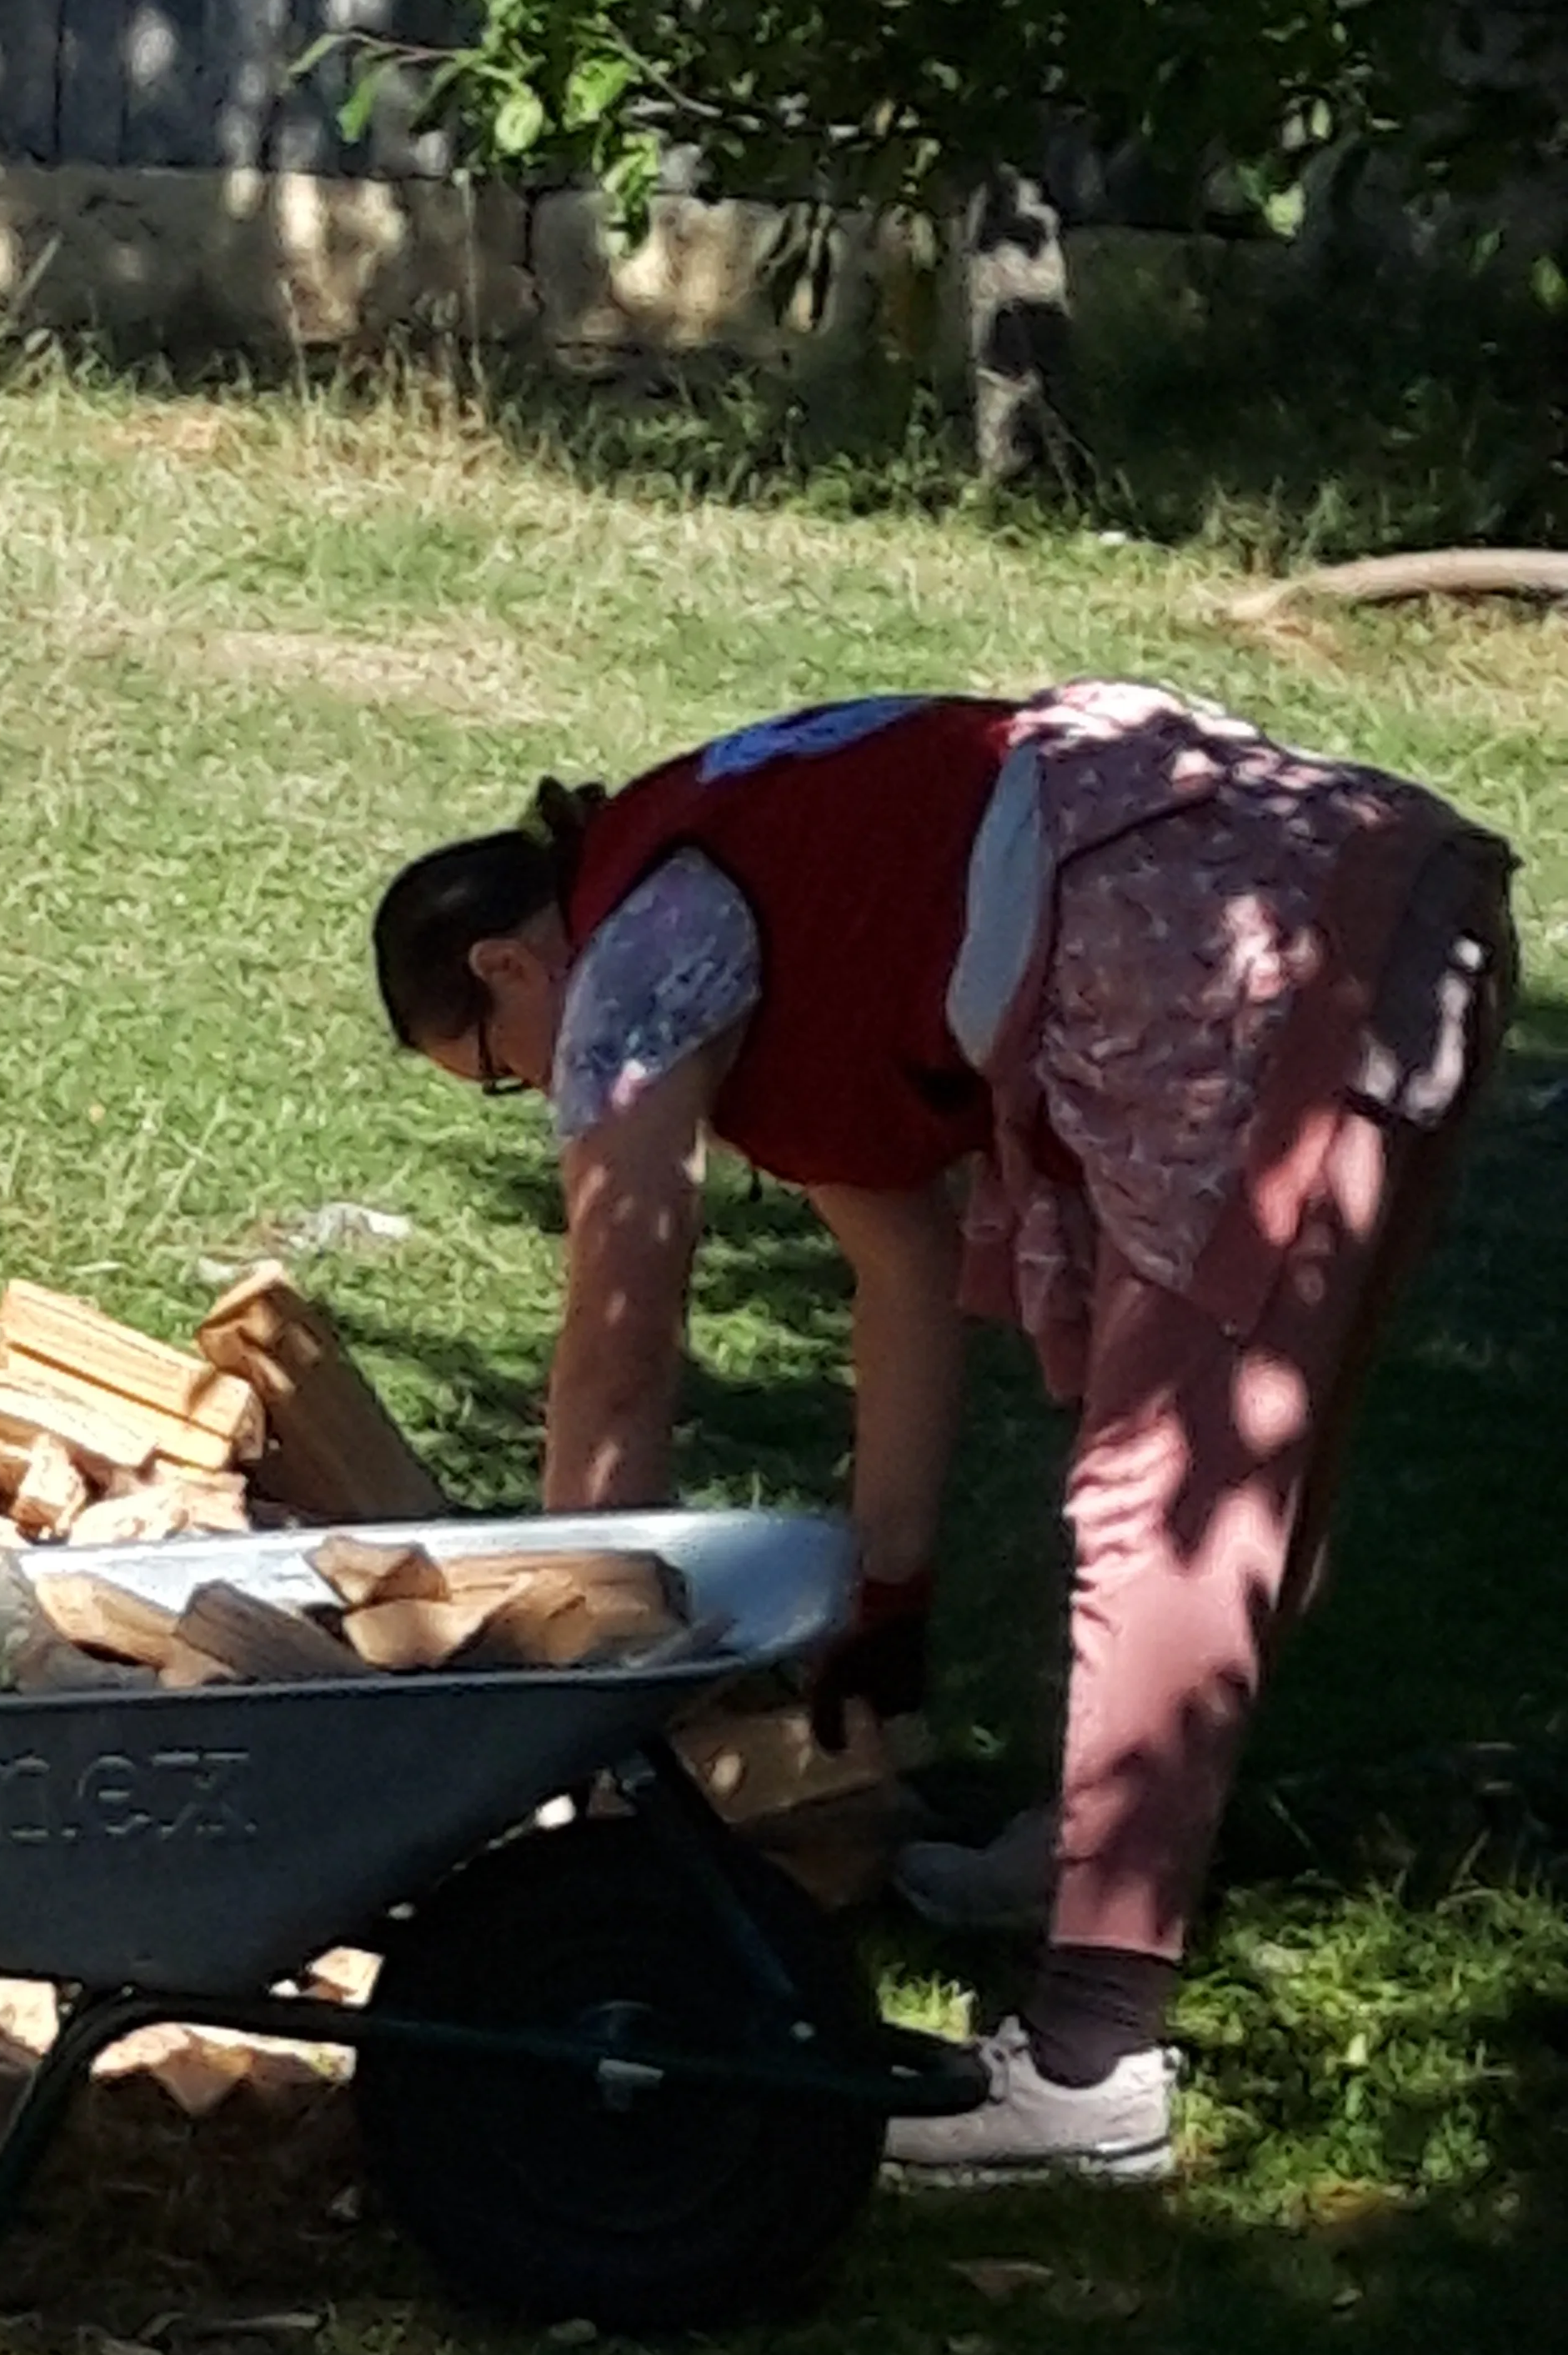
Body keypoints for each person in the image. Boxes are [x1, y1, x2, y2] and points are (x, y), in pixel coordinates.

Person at [374, 679, 1514, 2180]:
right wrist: (888, 1602)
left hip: (1236, 951)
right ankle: (1099, 1846)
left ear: (507, 965)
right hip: (1397, 889)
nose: (542, 1093)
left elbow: (620, 1349)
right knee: (1274, 1458)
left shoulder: (633, 955)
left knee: (1169, 1489)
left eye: (501, 1069)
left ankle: (1093, 2058)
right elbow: (901, 1274)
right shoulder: (744, 886)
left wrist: (582, 1688)